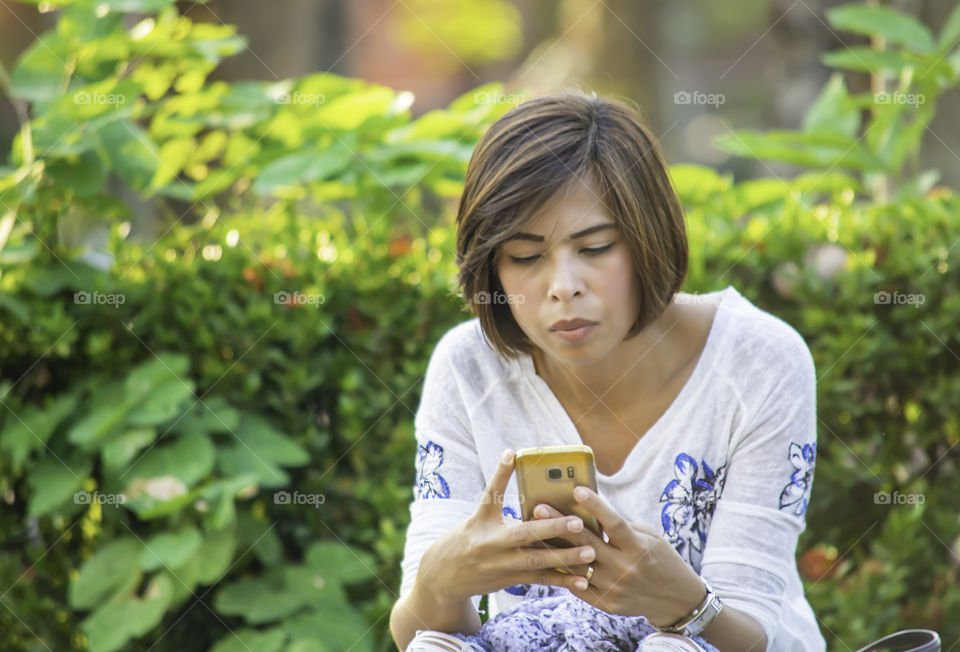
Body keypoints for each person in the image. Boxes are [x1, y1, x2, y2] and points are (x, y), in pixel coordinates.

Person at [389, 90, 825, 652]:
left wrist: (684, 603)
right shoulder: (468, 368)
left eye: (594, 247)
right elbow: (418, 632)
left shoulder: (759, 363)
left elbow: (753, 627)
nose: (563, 285)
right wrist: (440, 581)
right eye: (525, 257)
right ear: (491, 268)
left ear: (648, 238)